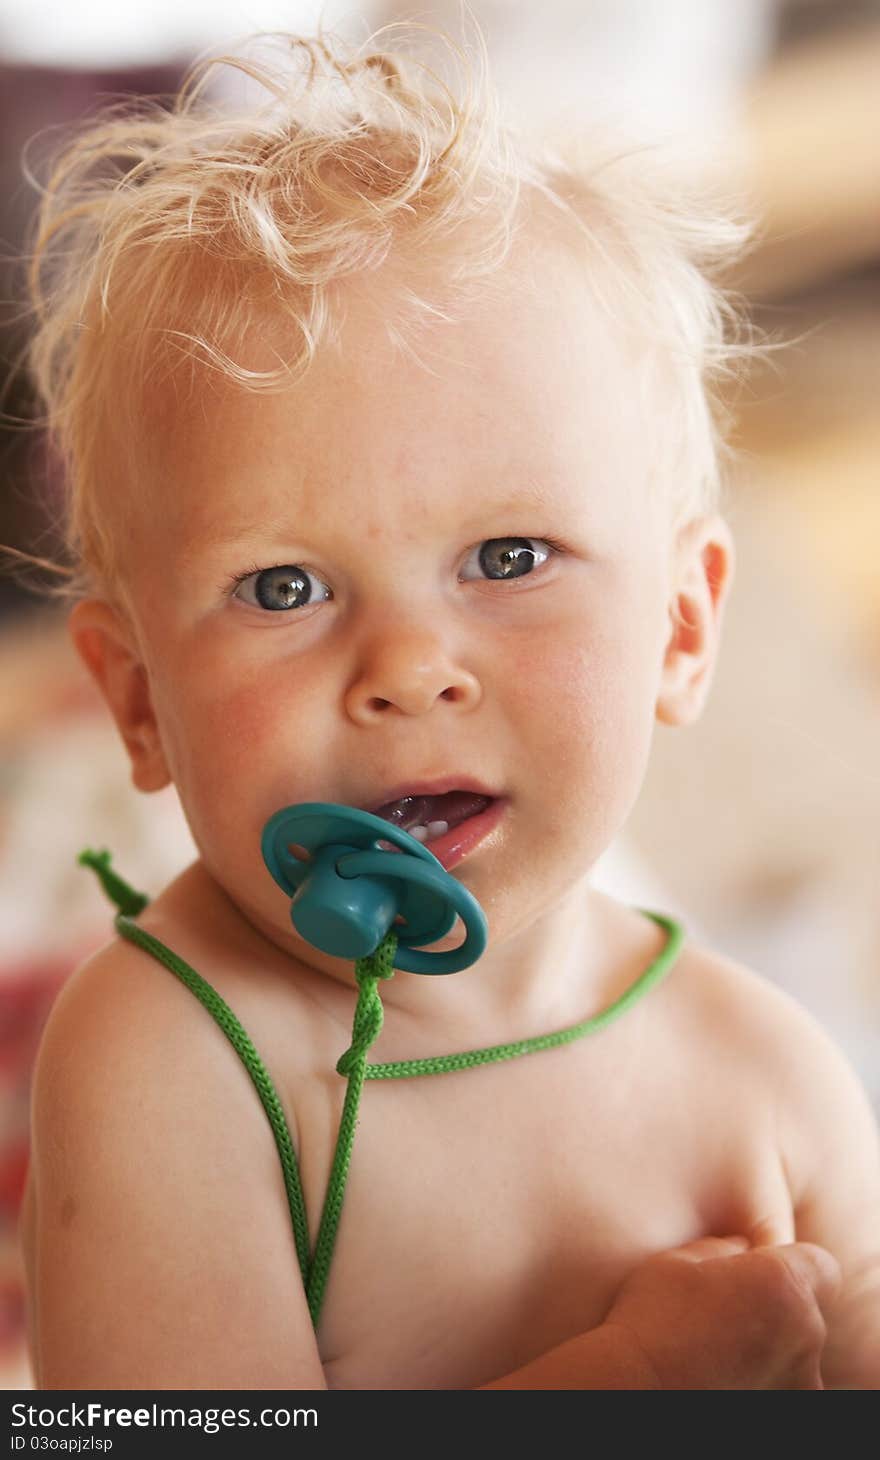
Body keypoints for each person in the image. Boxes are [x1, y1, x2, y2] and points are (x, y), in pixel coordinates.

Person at [16, 20, 880, 1390]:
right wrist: (645, 1381)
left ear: (681, 626)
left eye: (511, 559)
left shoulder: (763, 1069)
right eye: (286, 586)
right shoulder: (178, 1058)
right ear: (135, 700)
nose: (410, 670)